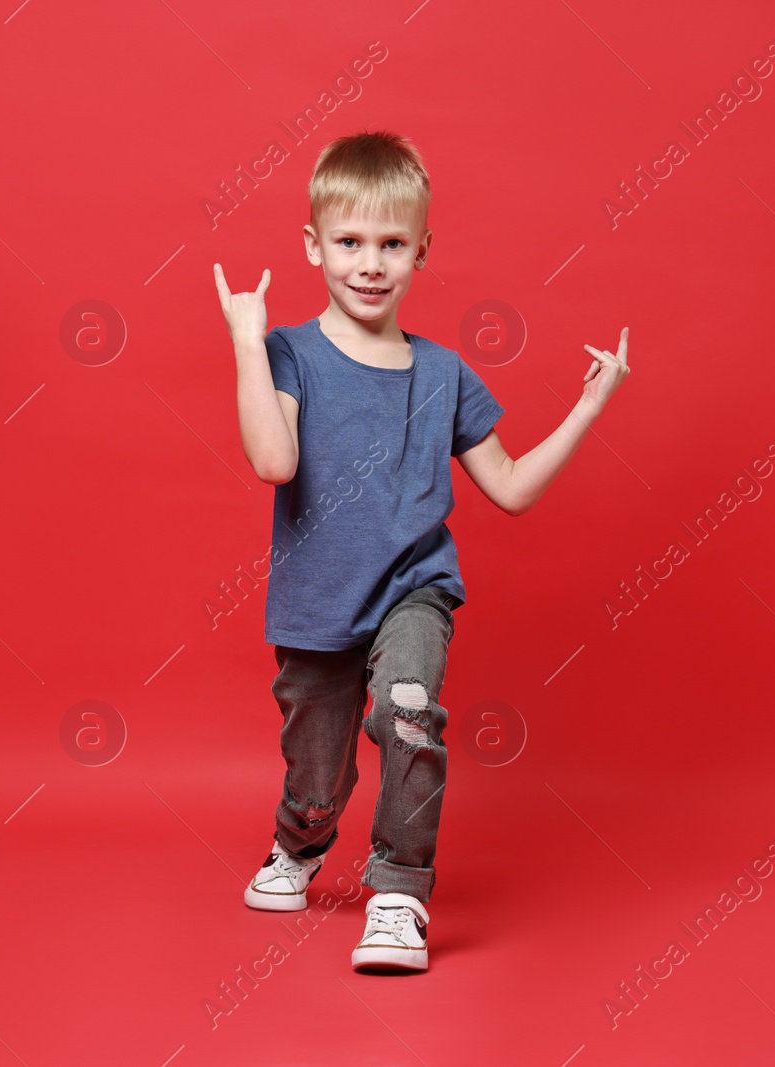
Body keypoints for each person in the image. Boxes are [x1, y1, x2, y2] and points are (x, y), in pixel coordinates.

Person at [212, 129, 631, 973]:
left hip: (414, 588)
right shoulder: (290, 353)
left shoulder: (443, 375)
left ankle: (399, 890)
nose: (370, 264)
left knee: (408, 707)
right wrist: (246, 342)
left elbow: (508, 487)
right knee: (319, 773)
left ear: (423, 251)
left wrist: (588, 409)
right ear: (314, 245)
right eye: (350, 242)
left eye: (393, 244)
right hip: (319, 602)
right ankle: (301, 838)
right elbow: (274, 461)